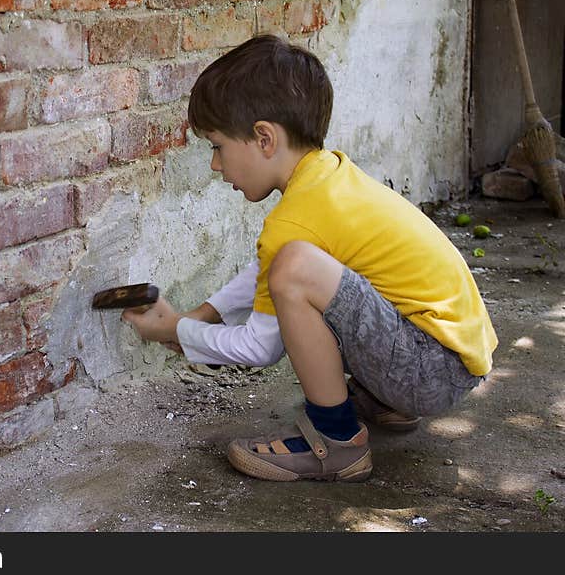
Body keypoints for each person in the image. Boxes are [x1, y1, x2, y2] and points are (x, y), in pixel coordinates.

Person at [121, 34, 498, 482]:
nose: (215, 166)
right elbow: (269, 268)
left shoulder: (294, 222)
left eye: (217, 146)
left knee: (296, 270)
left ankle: (336, 441)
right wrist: (202, 316)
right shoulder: (327, 176)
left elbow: (261, 345)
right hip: (449, 358)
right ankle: (383, 400)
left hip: (430, 370)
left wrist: (178, 331)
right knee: (294, 267)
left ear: (264, 138)